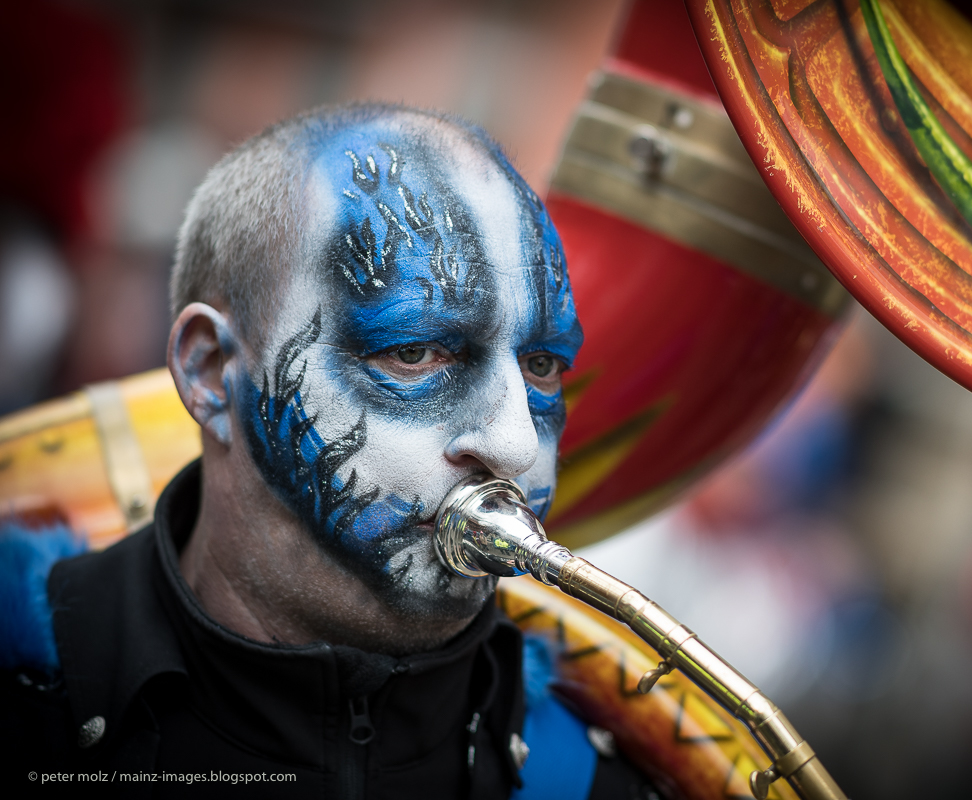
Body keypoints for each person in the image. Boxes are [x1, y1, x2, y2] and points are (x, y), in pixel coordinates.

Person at [2, 103, 657, 799]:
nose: (516, 445)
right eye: (413, 351)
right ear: (210, 374)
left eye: (543, 367)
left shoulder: (597, 781)